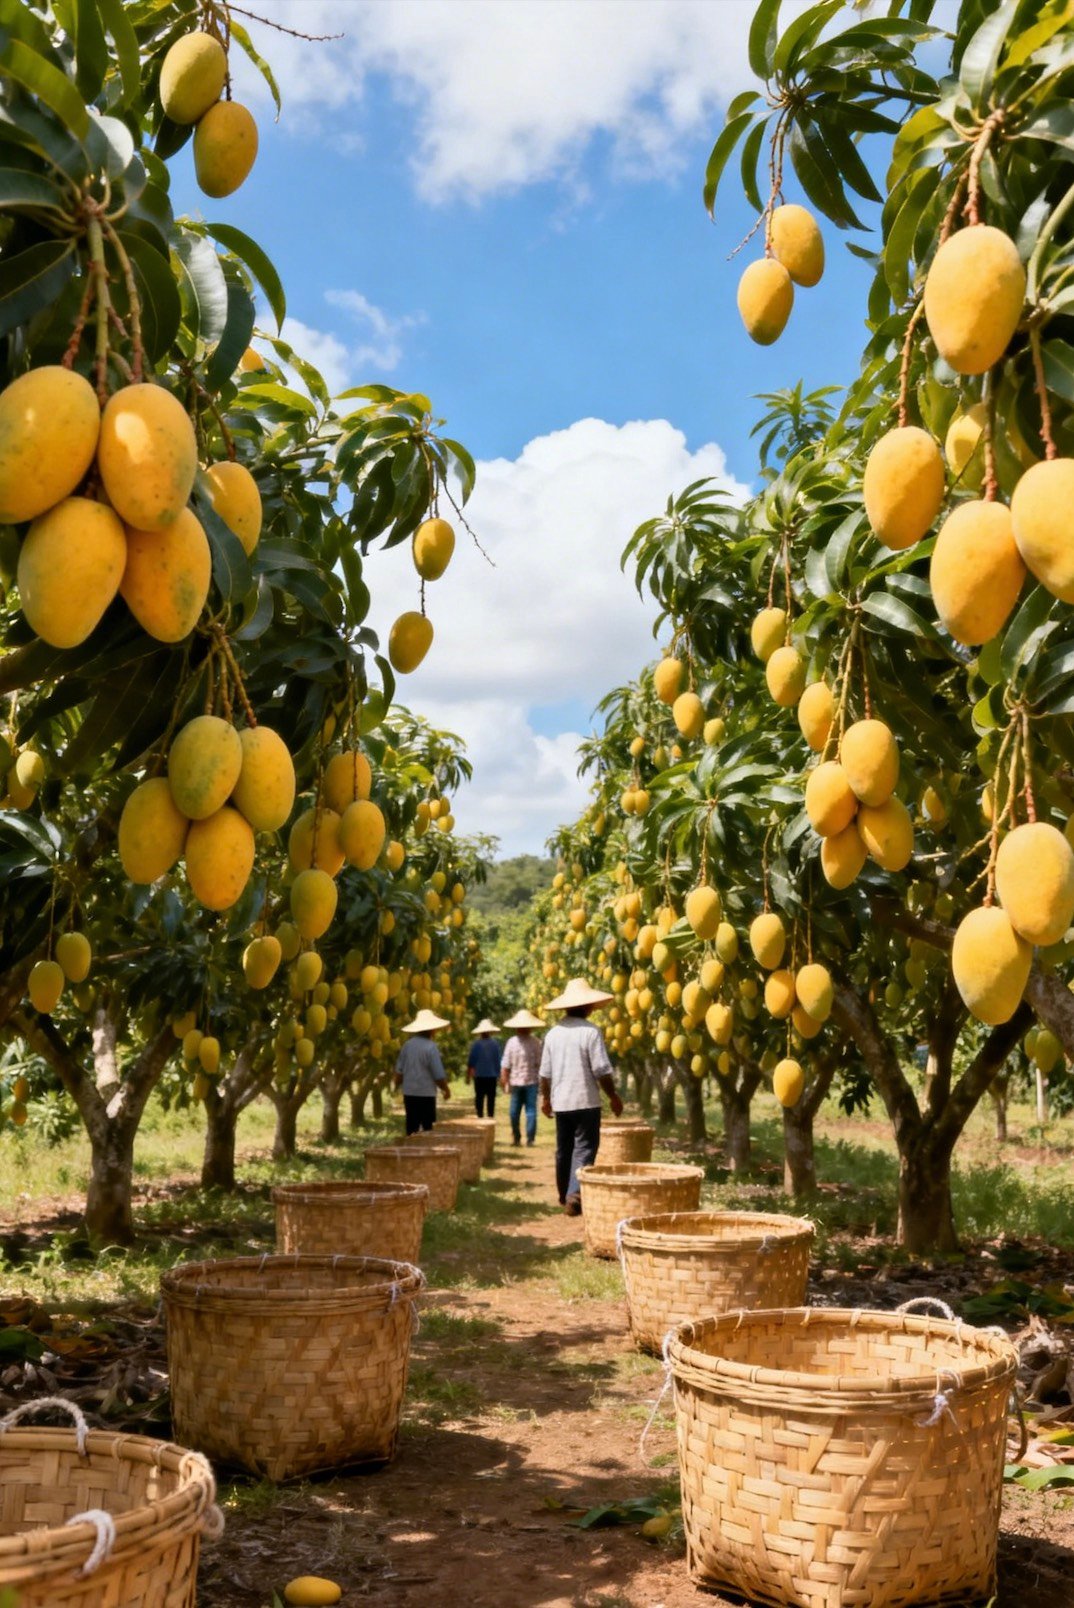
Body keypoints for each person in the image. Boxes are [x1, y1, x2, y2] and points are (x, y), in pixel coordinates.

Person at [539, 977, 623, 1216]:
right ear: (588, 1007)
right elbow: (601, 1070)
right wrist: (613, 1095)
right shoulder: (591, 1032)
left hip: (562, 1102)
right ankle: (574, 1194)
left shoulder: (553, 1034)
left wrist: (546, 1099)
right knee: (585, 1148)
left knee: (563, 1149)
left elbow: (545, 1074)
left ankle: (564, 1192)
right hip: (586, 1101)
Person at [393, 1008, 451, 1134]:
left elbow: (399, 1071)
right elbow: (438, 1075)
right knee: (427, 1129)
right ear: (431, 1030)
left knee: (411, 1128)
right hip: (426, 1094)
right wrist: (446, 1089)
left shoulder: (407, 1046)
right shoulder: (431, 1047)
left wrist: (396, 1086)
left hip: (409, 1094)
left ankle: (410, 1151)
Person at [499, 1008, 545, 1147]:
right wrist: (505, 1081)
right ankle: (517, 1137)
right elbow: (506, 1064)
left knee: (530, 1112)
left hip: (531, 1082)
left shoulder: (536, 1043)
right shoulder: (512, 1042)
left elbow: (540, 1064)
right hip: (516, 1083)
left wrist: (542, 1084)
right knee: (514, 1113)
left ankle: (530, 1138)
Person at [466, 1018, 502, 1117]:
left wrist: (468, 1077)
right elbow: (497, 1061)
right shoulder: (495, 1044)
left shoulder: (476, 1045)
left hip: (479, 1076)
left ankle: (480, 1115)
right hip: (491, 1076)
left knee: (479, 1097)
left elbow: (471, 1062)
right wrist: (499, 1075)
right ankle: (490, 1115)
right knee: (491, 1098)